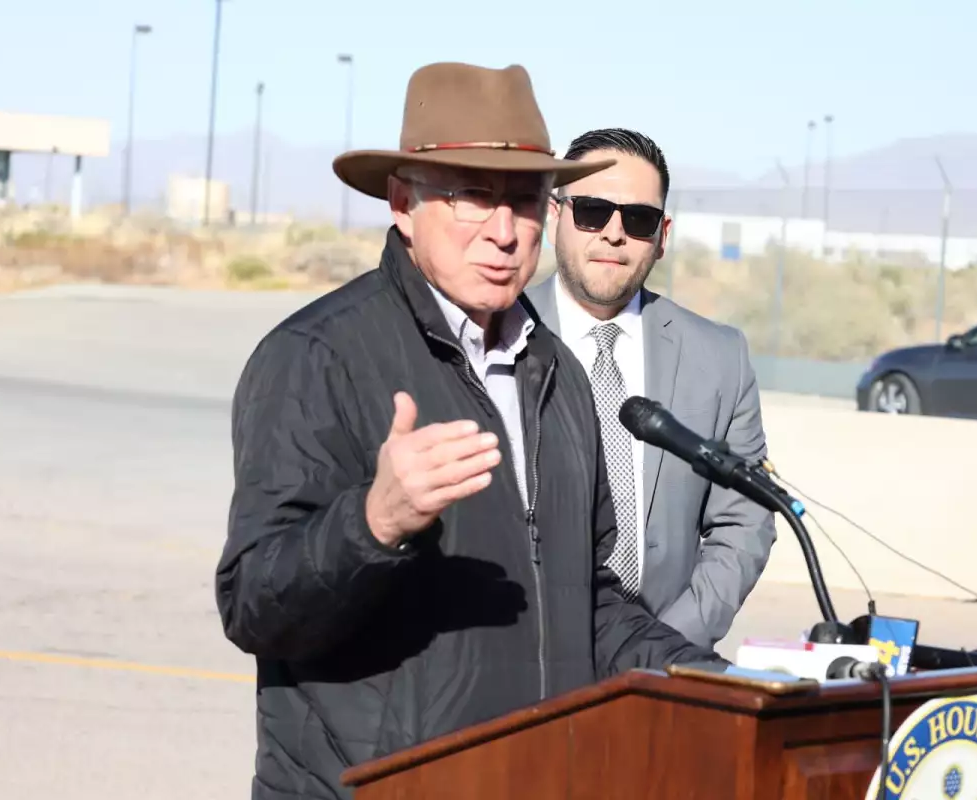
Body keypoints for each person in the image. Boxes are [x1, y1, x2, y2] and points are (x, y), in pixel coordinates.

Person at [214, 65, 720, 800]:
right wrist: (374, 521)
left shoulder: (558, 374)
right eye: (473, 196)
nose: (505, 232)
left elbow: (590, 600)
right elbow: (254, 603)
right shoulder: (316, 357)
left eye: (523, 201)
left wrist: (716, 681)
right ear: (402, 202)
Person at [525, 128, 776, 650]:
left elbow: (744, 519)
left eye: (637, 219)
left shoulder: (719, 357)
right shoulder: (500, 334)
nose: (614, 233)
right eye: (592, 211)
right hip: (526, 660)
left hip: (662, 662)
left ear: (662, 237)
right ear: (554, 219)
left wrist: (665, 644)